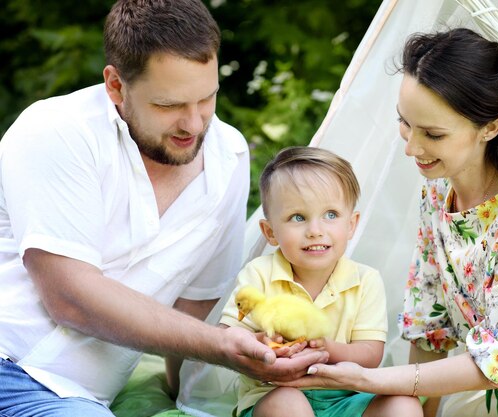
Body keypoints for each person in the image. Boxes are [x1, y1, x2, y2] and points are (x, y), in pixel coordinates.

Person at [0, 1, 327, 416]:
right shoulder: (58, 131)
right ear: (116, 85)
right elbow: (69, 297)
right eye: (168, 106)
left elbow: (194, 309)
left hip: (82, 400)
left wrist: (189, 397)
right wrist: (223, 347)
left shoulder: (228, 156)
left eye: (207, 99)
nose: (193, 125)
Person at [278, 28, 498, 417]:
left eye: (433, 134)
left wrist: (367, 379)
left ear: (490, 129)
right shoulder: (439, 190)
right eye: (405, 123)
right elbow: (432, 323)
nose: (411, 147)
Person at [219, 146, 423, 417]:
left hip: (347, 397)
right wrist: (259, 342)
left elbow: (371, 354)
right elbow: (227, 334)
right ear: (271, 232)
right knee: (288, 406)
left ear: (351, 225)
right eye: (298, 217)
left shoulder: (365, 281)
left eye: (330, 215)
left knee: (404, 406)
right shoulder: (259, 273)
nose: (315, 231)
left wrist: (328, 350)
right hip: (274, 393)